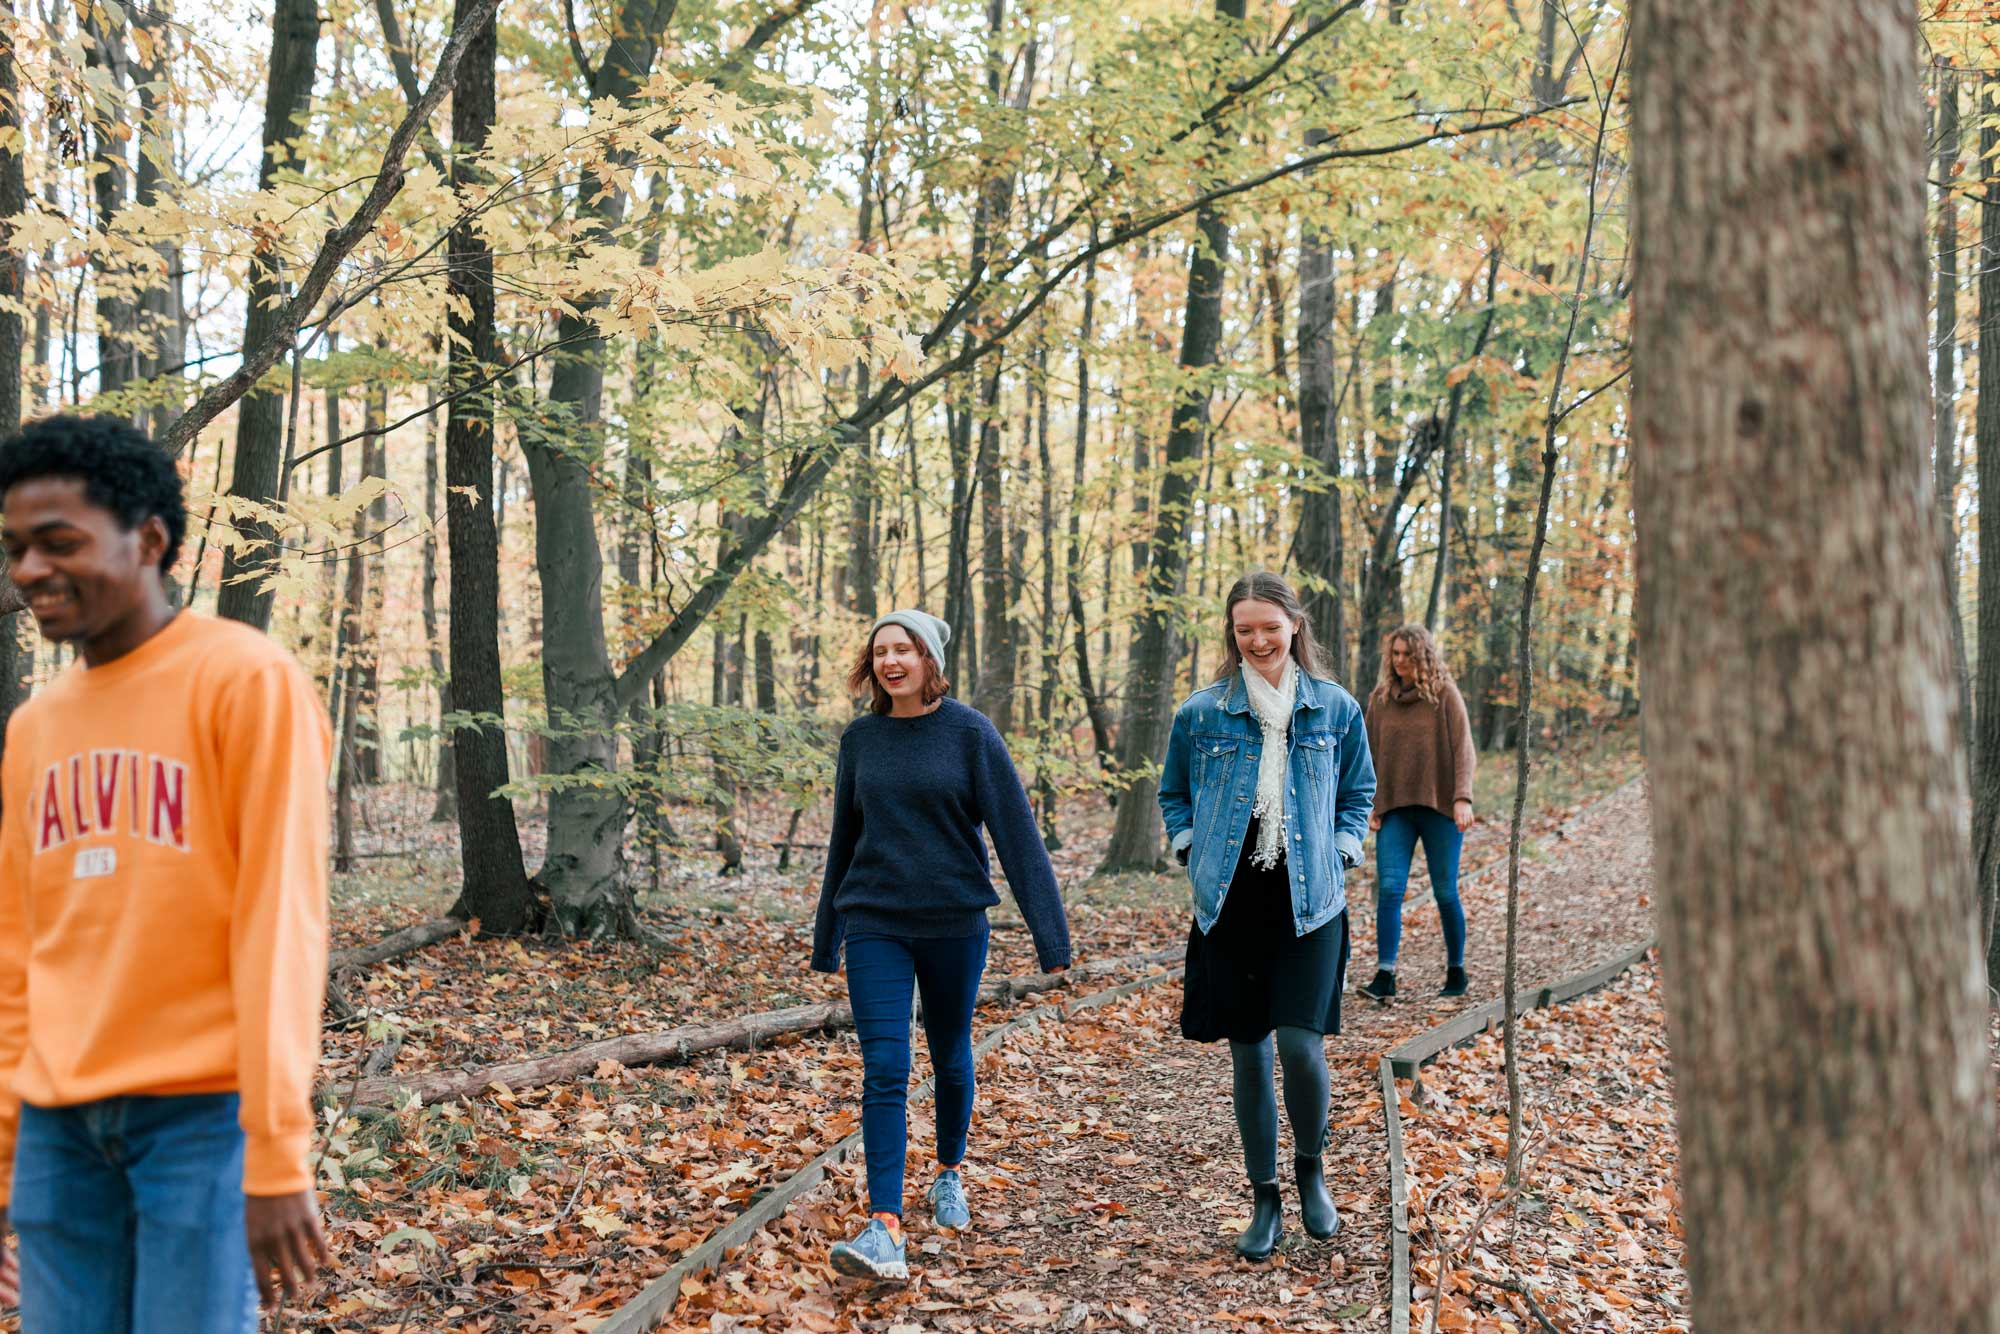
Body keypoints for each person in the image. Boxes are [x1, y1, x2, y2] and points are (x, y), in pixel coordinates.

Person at [0, 416, 334, 1329]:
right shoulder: (36, 728)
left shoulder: (245, 682)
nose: (29, 569)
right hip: (58, 1128)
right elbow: (19, 951)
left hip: (199, 1121)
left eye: (58, 542)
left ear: (149, 539)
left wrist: (275, 1149)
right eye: (16, 547)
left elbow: (281, 923)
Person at [810, 610, 1071, 1280]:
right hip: (876, 922)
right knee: (885, 1068)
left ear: (930, 658)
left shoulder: (969, 734)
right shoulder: (861, 740)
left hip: (955, 923)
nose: (891, 661)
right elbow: (844, 838)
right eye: (881, 652)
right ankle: (884, 1227)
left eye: (904, 649)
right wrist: (827, 937)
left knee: (952, 1057)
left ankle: (948, 1171)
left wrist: (1051, 938)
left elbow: (1016, 832)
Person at [1158, 571, 1375, 1261]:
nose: (1257, 640)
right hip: (1229, 904)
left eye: (1269, 627)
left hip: (1309, 905)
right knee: (1249, 1054)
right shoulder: (1202, 712)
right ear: (1233, 632)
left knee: (1300, 1047)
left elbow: (1358, 791)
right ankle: (1263, 1198)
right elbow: (1173, 793)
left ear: (1294, 627)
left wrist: (1343, 850)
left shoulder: (1335, 709)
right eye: (1244, 629)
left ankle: (1311, 1171)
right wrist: (1189, 846)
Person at [1357, 624, 1477, 1003]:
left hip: (1440, 807)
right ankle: (1385, 974)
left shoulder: (1444, 695)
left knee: (1444, 890)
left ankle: (1456, 970)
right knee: (1390, 890)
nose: (1401, 662)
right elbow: (1368, 755)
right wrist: (1371, 805)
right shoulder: (1379, 700)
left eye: (1408, 655)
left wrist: (1463, 798)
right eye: (1395, 655)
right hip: (1394, 810)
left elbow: (1463, 750)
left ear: (1423, 655)